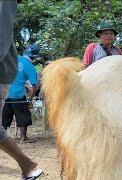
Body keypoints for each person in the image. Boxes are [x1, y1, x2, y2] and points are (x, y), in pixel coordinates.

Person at [0, 1, 42, 179]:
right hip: (13, 93)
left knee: (20, 121)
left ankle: (25, 160)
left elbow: (2, 32)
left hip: (4, 76)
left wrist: (30, 98)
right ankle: (25, 162)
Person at [2, 53, 39, 143]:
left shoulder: (7, 60)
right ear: (33, 58)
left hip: (4, 94)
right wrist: (30, 97)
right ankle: (23, 138)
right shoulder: (28, 64)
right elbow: (35, 85)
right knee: (23, 116)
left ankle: (2, 138)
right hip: (18, 95)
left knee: (4, 117)